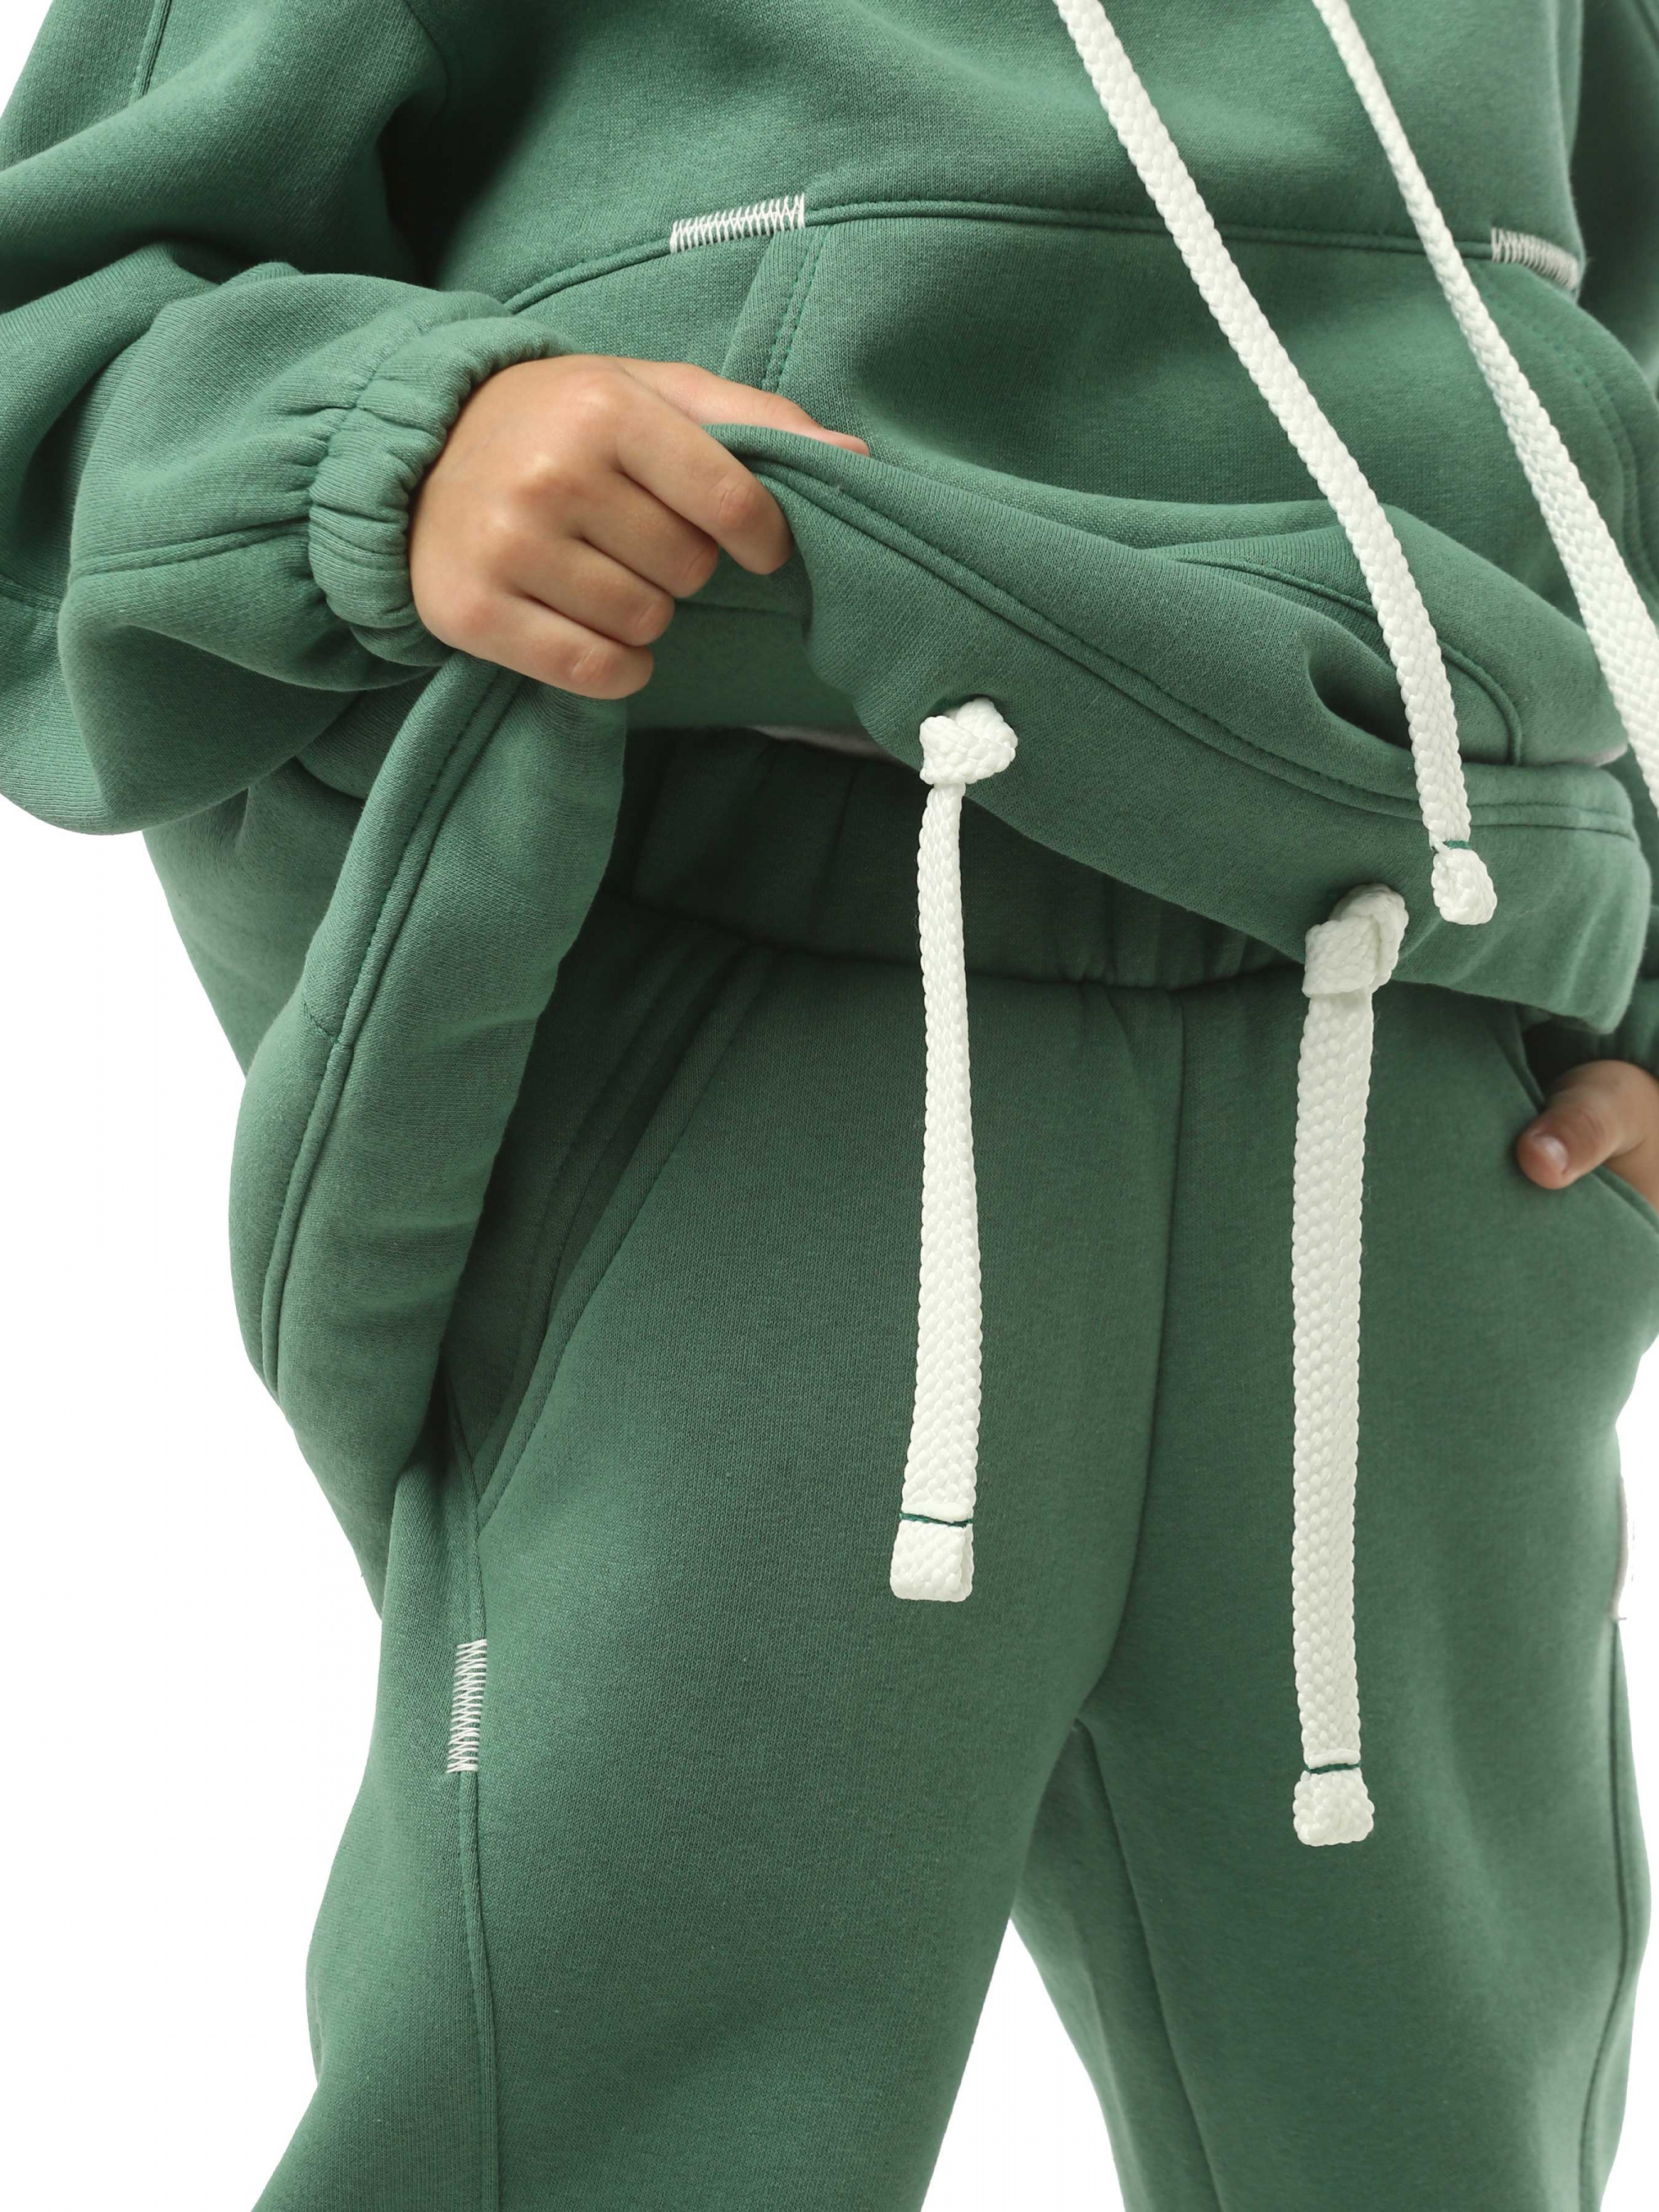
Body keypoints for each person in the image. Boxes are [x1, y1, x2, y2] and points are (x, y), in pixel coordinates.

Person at [2, 1, 1657, 2205]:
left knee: (1432, 2126)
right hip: (775, 1035)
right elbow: (57, 330)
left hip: (1431, 1073)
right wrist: (396, 442)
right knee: (608, 2104)